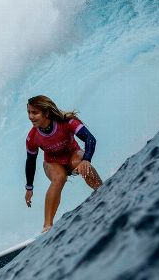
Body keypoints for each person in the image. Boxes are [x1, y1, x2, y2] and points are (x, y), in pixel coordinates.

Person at [25, 95, 102, 233]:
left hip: (72, 155)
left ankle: (102, 190)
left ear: (46, 113)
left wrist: (87, 160)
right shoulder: (32, 137)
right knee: (59, 178)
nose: (30, 116)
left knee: (80, 161)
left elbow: (90, 139)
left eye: (34, 112)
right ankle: (47, 226)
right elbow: (30, 162)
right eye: (29, 112)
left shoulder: (67, 122)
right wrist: (29, 188)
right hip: (52, 163)